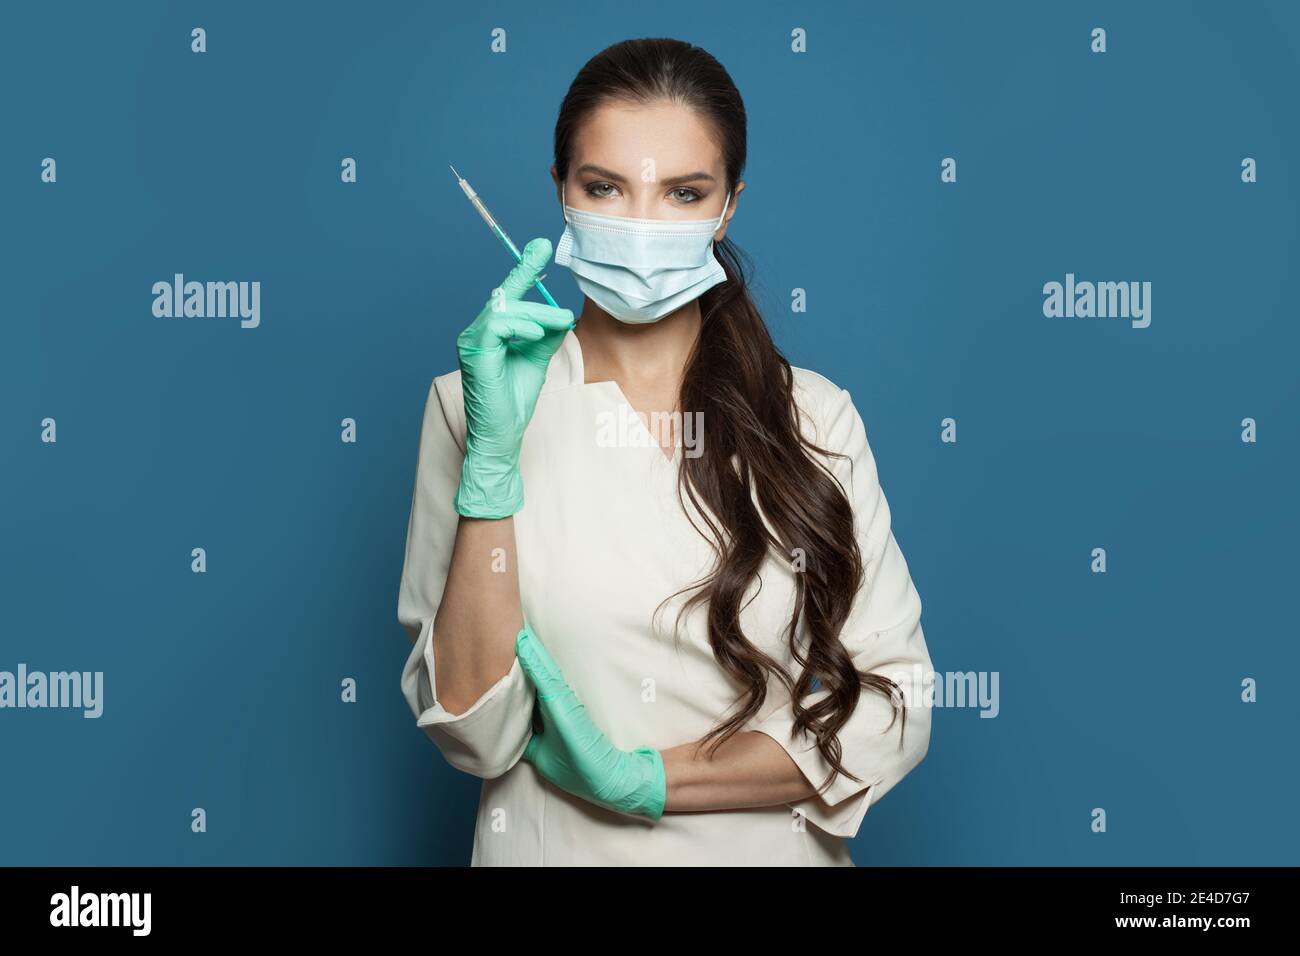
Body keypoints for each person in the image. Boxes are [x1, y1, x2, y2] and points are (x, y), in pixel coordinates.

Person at [398, 37, 936, 866]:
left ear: (728, 207)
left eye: (683, 193)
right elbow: (474, 729)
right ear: (560, 192)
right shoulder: (475, 408)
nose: (640, 228)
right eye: (604, 187)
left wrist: (649, 779)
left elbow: (896, 705)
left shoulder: (815, 417)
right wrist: (491, 469)